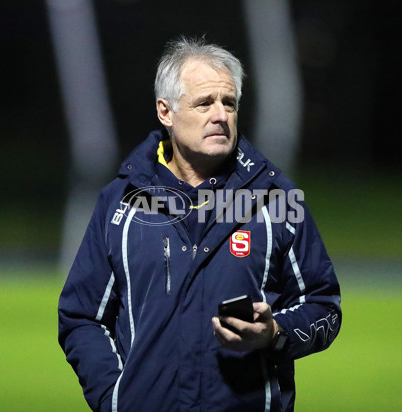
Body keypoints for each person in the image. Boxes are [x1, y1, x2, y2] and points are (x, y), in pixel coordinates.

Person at [58, 36, 342, 412]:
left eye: (229, 103)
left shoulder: (278, 200)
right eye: (204, 103)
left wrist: (274, 333)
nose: (221, 115)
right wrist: (115, 399)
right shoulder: (119, 202)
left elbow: (323, 305)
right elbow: (83, 317)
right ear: (165, 111)